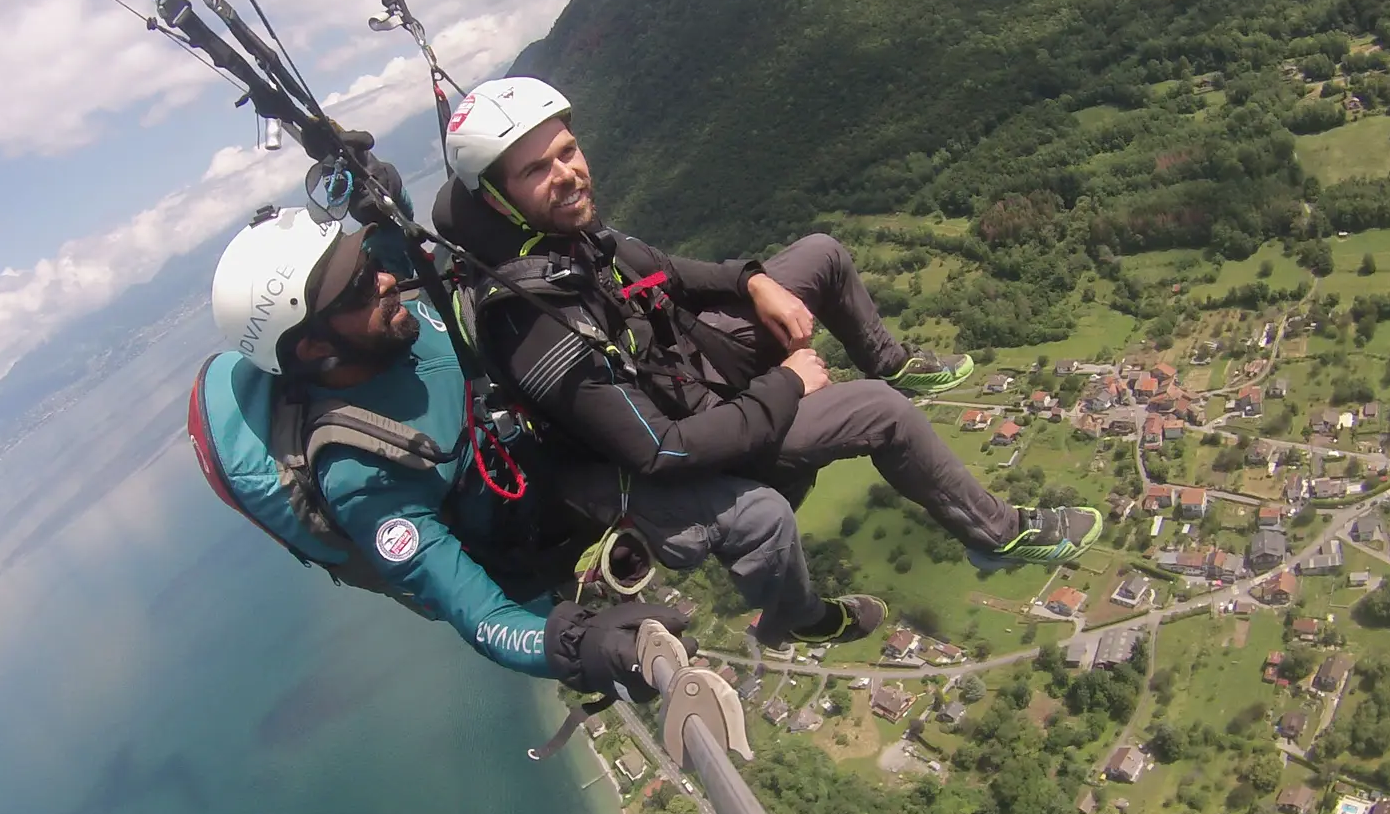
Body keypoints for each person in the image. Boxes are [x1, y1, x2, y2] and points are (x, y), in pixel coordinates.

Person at [204, 175, 883, 705]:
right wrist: (574, 643)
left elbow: (400, 240)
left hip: (560, 420)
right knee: (757, 515)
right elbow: (475, 611)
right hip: (547, 504)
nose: (382, 278)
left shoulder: (389, 311)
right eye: (358, 284)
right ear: (316, 345)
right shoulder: (363, 470)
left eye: (364, 262)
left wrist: (377, 192)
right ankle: (804, 615)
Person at [433, 77, 1103, 569]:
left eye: (568, 152)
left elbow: (680, 272)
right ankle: (1000, 534)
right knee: (884, 412)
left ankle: (890, 358)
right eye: (537, 169)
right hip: (719, 437)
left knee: (821, 255)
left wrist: (756, 283)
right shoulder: (532, 315)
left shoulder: (574, 239)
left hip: (705, 373)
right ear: (497, 197)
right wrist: (787, 382)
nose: (568, 174)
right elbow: (658, 450)